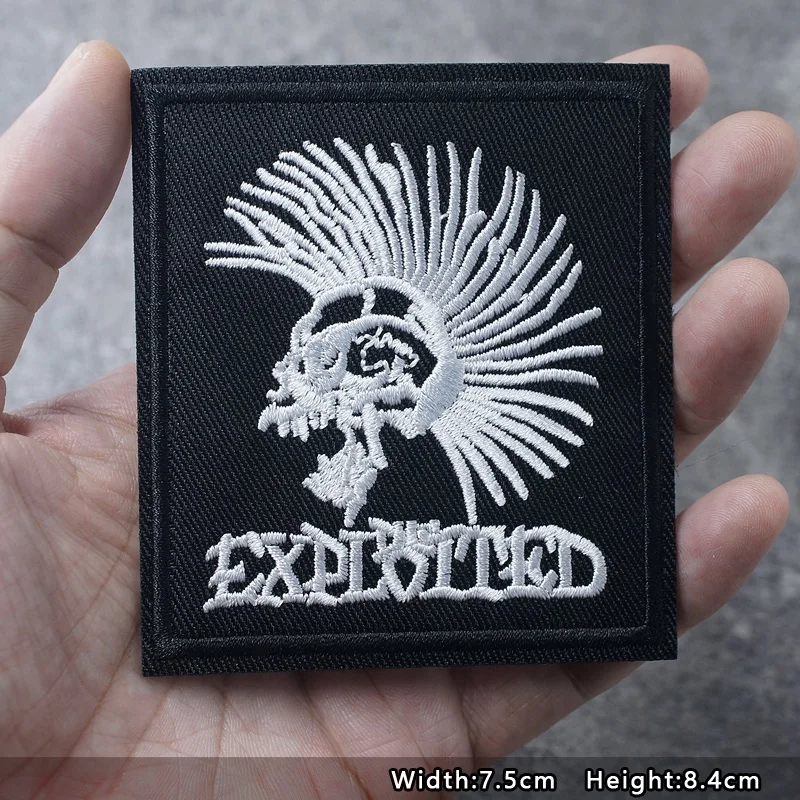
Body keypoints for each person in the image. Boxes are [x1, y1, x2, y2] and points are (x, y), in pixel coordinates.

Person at [0, 41, 795, 796]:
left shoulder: (425, 455)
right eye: (302, 359)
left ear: (393, 376)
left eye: (327, 362)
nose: (285, 383)